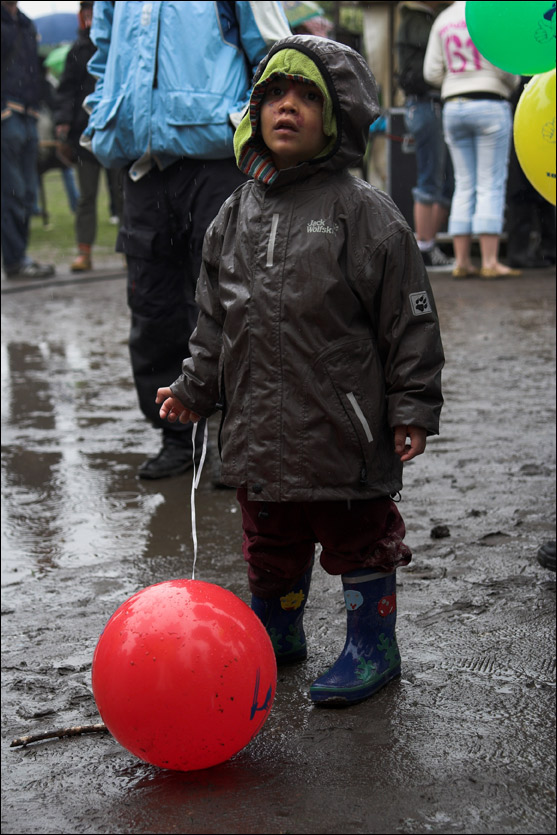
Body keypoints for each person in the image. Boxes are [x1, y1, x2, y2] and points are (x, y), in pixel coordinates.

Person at [156, 34, 445, 706]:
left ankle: (373, 643)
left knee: (358, 538)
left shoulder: (362, 212)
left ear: (337, 115)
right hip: (258, 428)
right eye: (273, 94)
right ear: (254, 111)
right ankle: (277, 628)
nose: (287, 106)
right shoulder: (232, 215)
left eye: (307, 96)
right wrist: (197, 387)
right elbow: (213, 319)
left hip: (340, 429)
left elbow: (409, 315)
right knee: (269, 537)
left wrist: (410, 404)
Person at [81, 1, 291, 479]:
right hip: (143, 165)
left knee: (231, 301)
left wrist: (244, 121)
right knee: (153, 307)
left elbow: (277, 54)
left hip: (218, 162)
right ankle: (179, 437)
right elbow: (104, 55)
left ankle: (235, 440)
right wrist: (102, 114)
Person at [423, 0, 521, 279]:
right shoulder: (490, 16)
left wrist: (457, 80)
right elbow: (507, 68)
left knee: (464, 183)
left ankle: (462, 261)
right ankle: (490, 261)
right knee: (490, 182)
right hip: (491, 103)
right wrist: (507, 82)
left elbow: (430, 72)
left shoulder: (444, 19)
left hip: (454, 106)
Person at [54, 0, 122, 273]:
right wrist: (62, 123)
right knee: (87, 197)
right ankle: (84, 251)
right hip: (85, 136)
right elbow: (66, 91)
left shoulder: (119, 45)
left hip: (116, 132)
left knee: (123, 195)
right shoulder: (77, 50)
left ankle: (131, 250)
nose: (91, 15)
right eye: (86, 10)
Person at [396, 0, 454, 270]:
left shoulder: (420, 19)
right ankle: (424, 248)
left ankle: (429, 245)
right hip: (425, 105)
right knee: (431, 178)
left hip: (428, 106)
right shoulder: (417, 21)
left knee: (444, 181)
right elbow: (427, 70)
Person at [1, 0, 55, 279]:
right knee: (12, 192)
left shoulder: (25, 23)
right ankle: (14, 260)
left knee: (27, 194)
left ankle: (19, 256)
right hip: (8, 116)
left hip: (29, 115)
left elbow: (34, 71)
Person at [505, 77, 556, 270]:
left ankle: (524, 251)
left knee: (525, 190)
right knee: (544, 185)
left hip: (528, 113)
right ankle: (546, 248)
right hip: (539, 112)